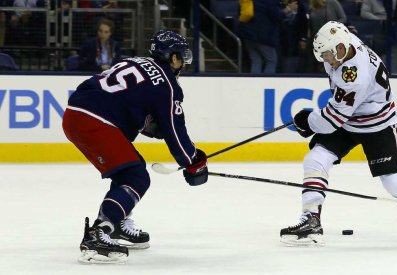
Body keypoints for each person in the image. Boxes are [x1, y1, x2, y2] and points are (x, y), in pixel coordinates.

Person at [279, 21, 397, 247]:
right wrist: (312, 120)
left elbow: (331, 120)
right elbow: (338, 112)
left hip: (378, 125)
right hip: (350, 119)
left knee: (396, 183)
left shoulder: (353, 75)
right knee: (316, 159)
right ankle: (311, 219)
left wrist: (307, 121)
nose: (325, 59)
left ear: (339, 49)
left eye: (326, 54)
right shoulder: (346, 43)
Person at [62, 30, 209, 264]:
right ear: (172, 57)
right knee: (136, 178)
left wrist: (147, 122)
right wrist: (194, 161)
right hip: (96, 122)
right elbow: (176, 135)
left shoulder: (133, 61)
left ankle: (118, 222)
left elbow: (123, 100)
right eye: (180, 57)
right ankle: (100, 232)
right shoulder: (168, 85)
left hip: (76, 114)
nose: (183, 63)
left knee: (129, 167)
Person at [238, 0, 298, 74]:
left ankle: (255, 83)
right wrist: (289, 9)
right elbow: (277, 15)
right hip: (263, 36)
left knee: (256, 60)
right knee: (271, 61)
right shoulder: (270, 1)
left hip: (248, 35)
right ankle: (267, 83)